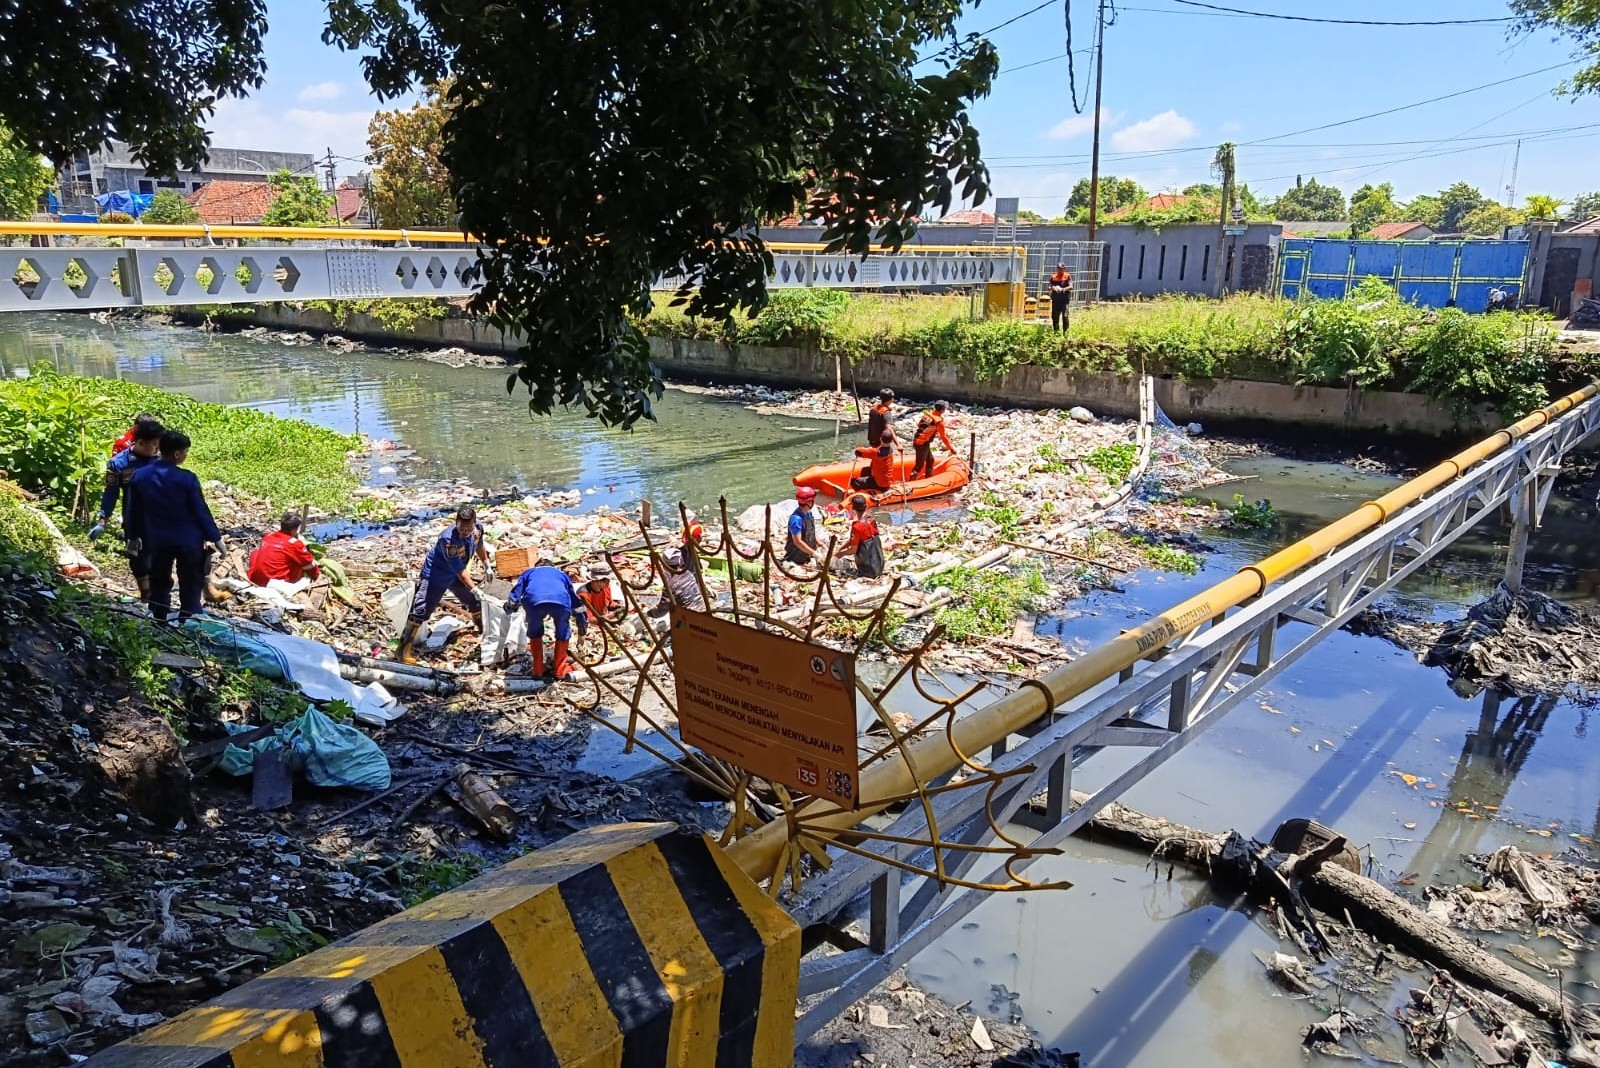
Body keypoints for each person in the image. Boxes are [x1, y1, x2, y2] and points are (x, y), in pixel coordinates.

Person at [127, 430, 222, 625]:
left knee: (159, 578)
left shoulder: (140, 476)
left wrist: (132, 536)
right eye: (185, 452)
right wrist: (215, 537)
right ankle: (188, 618)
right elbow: (200, 510)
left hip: (157, 539)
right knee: (191, 580)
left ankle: (159, 617)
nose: (186, 455)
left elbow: (133, 511)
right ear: (177, 454)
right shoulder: (187, 478)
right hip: (189, 540)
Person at [397, 504, 491, 664]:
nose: (465, 532)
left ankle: (485, 632)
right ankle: (402, 651)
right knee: (421, 610)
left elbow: (479, 544)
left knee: (475, 602)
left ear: (474, 523)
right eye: (462, 529)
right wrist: (474, 588)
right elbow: (459, 570)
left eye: (468, 529)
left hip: (457, 575)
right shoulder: (448, 540)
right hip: (437, 574)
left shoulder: (477, 529)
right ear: (456, 523)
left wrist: (486, 564)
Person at [90, 417, 163, 595]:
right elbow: (111, 493)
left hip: (159, 517)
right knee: (138, 560)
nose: (157, 449)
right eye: (154, 445)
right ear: (141, 442)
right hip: (134, 519)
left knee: (159, 558)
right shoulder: (118, 464)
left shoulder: (160, 459)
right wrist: (102, 520)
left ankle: (158, 597)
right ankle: (146, 594)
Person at [505, 564, 589, 679]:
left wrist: (510, 607)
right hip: (560, 601)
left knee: (535, 632)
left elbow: (515, 594)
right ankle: (560, 670)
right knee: (563, 631)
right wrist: (582, 625)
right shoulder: (561, 574)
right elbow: (575, 602)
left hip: (534, 602)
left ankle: (537, 670)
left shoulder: (529, 573)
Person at [247, 512, 322, 597]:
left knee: (256, 553)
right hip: (276, 584)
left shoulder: (268, 536)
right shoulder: (294, 543)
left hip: (257, 580)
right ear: (294, 530)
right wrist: (317, 575)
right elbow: (308, 565)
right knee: (300, 562)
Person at [837, 495, 885, 579]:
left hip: (868, 571)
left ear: (853, 508)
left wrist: (840, 554)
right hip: (879, 565)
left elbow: (853, 550)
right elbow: (856, 539)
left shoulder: (857, 526)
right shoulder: (871, 519)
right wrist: (840, 548)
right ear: (866, 506)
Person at [911, 400, 955, 480]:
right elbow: (943, 437)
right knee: (918, 466)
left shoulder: (927, 415)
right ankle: (910, 483)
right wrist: (951, 449)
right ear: (943, 410)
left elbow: (919, 425)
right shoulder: (939, 422)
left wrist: (930, 431)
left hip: (918, 440)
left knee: (930, 460)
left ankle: (929, 478)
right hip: (922, 444)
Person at [785, 487, 822, 565]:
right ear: (809, 503)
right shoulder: (796, 519)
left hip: (808, 554)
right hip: (796, 557)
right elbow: (797, 542)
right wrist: (815, 553)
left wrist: (819, 542)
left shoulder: (808, 513)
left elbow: (812, 530)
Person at [1048, 264, 1073, 333]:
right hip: (1055, 301)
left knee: (1065, 316)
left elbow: (1071, 287)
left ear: (1064, 269)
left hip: (1064, 301)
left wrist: (1063, 289)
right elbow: (1049, 286)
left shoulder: (1067, 276)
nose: (1060, 270)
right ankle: (1056, 332)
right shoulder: (1053, 276)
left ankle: (1066, 333)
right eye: (1059, 269)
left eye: (1061, 269)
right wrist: (1053, 287)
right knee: (1055, 317)